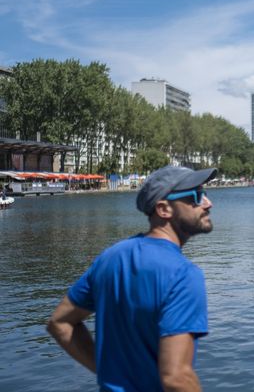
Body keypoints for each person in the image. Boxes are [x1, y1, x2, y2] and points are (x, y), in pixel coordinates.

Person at [47, 165, 217, 392]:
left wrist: (107, 371)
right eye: (196, 196)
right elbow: (176, 378)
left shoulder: (110, 257)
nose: (208, 203)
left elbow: (60, 323)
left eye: (205, 194)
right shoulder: (184, 274)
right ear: (164, 209)